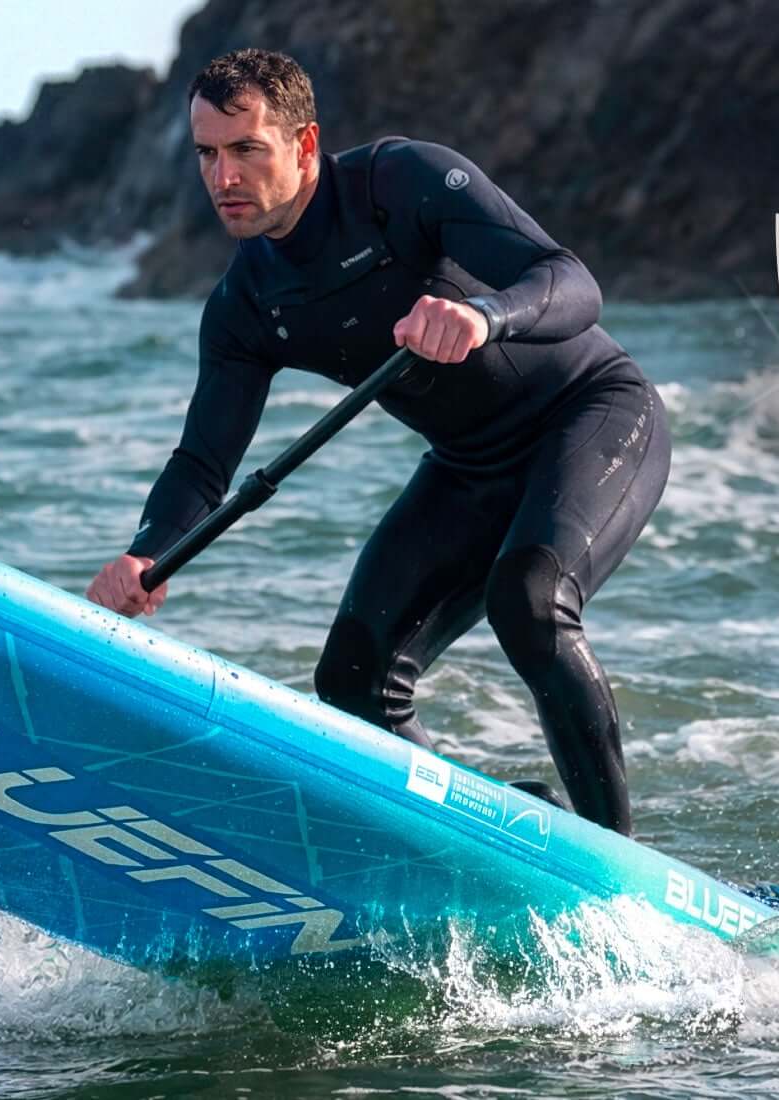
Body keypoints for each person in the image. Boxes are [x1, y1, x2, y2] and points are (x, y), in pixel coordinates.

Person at [81, 49, 669, 836]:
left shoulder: (402, 184)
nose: (224, 176)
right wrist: (147, 551)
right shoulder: (246, 305)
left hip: (590, 414)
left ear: (305, 144)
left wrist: (482, 315)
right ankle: (494, 833)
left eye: (247, 149)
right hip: (470, 466)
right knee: (355, 680)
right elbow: (203, 462)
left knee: (527, 602)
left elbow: (572, 282)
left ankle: (617, 862)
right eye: (208, 154)